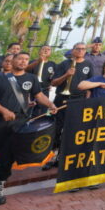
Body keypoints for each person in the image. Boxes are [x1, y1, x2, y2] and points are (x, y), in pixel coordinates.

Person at [0, 52, 57, 210]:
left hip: (18, 123)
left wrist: (50, 105)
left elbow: (38, 95)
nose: (23, 61)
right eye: (20, 58)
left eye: (26, 59)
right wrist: (3, 111)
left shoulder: (31, 78)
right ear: (12, 61)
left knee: (8, 158)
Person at [44, 42, 94, 170]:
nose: (81, 51)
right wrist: (66, 74)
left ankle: (64, 158)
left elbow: (90, 86)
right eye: (78, 49)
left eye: (83, 49)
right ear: (73, 50)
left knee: (71, 131)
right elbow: (54, 83)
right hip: (61, 99)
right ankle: (51, 158)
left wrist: (86, 101)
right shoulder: (63, 64)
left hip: (78, 101)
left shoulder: (88, 65)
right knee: (56, 130)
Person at [26, 45, 57, 117]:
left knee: (41, 113)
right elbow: (26, 71)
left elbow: (54, 79)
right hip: (31, 91)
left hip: (44, 91)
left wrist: (52, 79)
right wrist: (38, 61)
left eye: (48, 49)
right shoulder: (32, 62)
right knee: (28, 112)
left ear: (50, 52)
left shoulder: (52, 64)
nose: (46, 51)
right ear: (39, 51)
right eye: (44, 49)